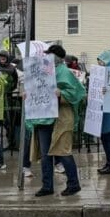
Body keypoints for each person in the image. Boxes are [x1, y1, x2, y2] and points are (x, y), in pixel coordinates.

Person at [27, 44, 86, 197]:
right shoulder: (40, 71)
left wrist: (62, 94)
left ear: (58, 57)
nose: (47, 57)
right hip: (43, 118)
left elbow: (78, 92)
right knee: (46, 154)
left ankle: (73, 184)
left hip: (61, 117)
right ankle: (47, 185)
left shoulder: (64, 72)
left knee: (63, 151)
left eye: (50, 54)